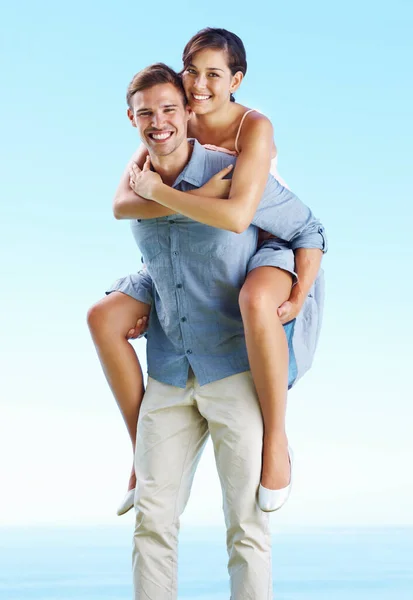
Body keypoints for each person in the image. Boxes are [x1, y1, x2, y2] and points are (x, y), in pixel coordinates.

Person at [93, 62, 326, 599]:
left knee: (246, 525)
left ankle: (278, 444)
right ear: (130, 118)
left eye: (170, 109)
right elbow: (152, 251)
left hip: (233, 368)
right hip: (170, 369)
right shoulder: (135, 183)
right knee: (152, 522)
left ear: (188, 114)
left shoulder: (234, 171)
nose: (159, 121)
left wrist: (294, 295)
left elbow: (308, 227)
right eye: (146, 112)